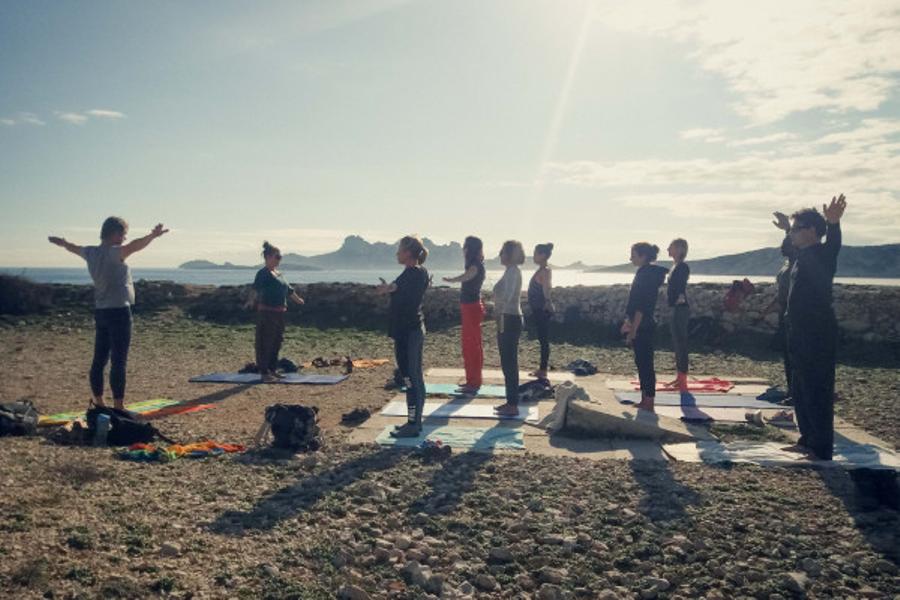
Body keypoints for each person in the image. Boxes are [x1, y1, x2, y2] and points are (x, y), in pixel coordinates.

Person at [48, 217, 168, 410]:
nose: (124, 238)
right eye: (123, 234)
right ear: (115, 233)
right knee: (118, 361)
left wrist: (62, 243)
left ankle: (99, 402)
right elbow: (135, 246)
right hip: (119, 312)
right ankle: (119, 406)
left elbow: (74, 247)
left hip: (101, 312)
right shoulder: (113, 253)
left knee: (99, 360)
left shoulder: (91, 252)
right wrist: (153, 235)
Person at [785, 194, 846, 460]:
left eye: (795, 229)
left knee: (817, 387)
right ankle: (807, 438)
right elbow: (786, 249)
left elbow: (834, 245)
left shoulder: (822, 253)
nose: (791, 235)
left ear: (811, 231)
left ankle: (821, 447)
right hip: (798, 330)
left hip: (818, 331)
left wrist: (833, 224)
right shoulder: (801, 255)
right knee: (800, 386)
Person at [377, 236, 430, 437]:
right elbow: (397, 287)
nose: (397, 253)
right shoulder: (411, 272)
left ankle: (413, 424)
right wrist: (388, 288)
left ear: (408, 252)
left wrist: (389, 288)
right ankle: (414, 422)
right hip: (406, 332)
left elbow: (397, 287)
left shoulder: (416, 273)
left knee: (411, 378)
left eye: (399, 249)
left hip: (410, 333)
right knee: (412, 378)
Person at [621, 243, 668, 411]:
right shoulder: (645, 273)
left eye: (633, 255)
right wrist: (629, 323)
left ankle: (649, 401)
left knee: (646, 364)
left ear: (643, 256)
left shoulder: (646, 275)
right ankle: (645, 399)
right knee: (641, 362)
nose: (630, 258)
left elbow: (641, 306)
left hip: (644, 325)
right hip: (641, 323)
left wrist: (633, 330)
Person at [252, 242, 305, 382]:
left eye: (280, 257)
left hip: (279, 312)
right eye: (277, 257)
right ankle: (264, 372)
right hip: (267, 312)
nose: (279, 259)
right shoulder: (263, 273)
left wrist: (298, 300)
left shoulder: (279, 274)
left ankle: (272, 369)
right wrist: (251, 303)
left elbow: (288, 289)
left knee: (276, 341)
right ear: (268, 257)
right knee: (265, 342)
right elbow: (255, 290)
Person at [443, 236, 486, 393]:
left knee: (471, 346)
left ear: (470, 249)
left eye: (465, 246)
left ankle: (473, 382)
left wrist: (452, 280)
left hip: (471, 308)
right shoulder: (476, 264)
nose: (463, 249)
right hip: (471, 307)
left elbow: (468, 276)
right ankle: (472, 380)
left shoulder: (475, 265)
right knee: (471, 345)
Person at [767, 212, 797, 403]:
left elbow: (796, 248)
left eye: (785, 246)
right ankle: (791, 390)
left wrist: (788, 228)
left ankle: (796, 393)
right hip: (784, 313)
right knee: (787, 355)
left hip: (794, 314)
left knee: (794, 356)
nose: (782, 249)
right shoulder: (787, 266)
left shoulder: (797, 262)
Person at [492, 240, 525, 417]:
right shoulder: (509, 271)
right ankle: (510, 401)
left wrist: (498, 310)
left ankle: (513, 404)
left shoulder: (513, 272)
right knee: (506, 362)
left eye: (503, 251)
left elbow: (509, 296)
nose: (500, 254)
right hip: (506, 318)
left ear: (511, 254)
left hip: (510, 319)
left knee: (510, 363)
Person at [528, 243, 555, 380]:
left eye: (535, 253)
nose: (533, 256)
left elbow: (546, 288)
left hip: (541, 309)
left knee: (544, 340)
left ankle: (543, 370)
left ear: (543, 255)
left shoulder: (545, 270)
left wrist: (548, 302)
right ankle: (542, 368)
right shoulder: (542, 270)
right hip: (538, 308)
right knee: (542, 339)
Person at [665, 239, 690, 391]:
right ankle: (679, 377)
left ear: (680, 249)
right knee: (676, 342)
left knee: (681, 342)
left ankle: (683, 379)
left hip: (680, 308)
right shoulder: (674, 266)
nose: (668, 248)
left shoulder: (682, 267)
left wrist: (679, 299)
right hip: (675, 307)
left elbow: (680, 285)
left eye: (671, 247)